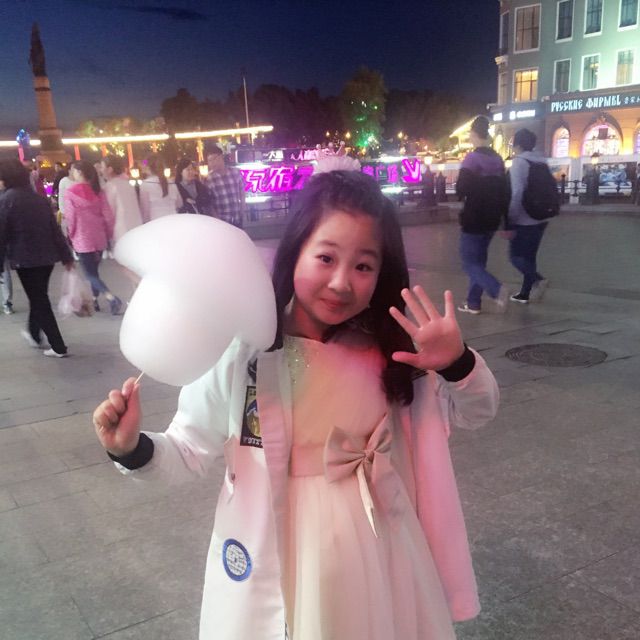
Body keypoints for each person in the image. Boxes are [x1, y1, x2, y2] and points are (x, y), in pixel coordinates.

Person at [92, 170, 499, 639]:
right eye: (325, 257)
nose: (341, 282)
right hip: (270, 542)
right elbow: (187, 447)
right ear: (296, 251)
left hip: (372, 550)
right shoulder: (244, 353)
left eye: (364, 266)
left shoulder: (393, 355)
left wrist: (456, 363)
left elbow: (477, 410)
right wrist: (132, 449)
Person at [0, 159, 74, 357]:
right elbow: (54, 229)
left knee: (39, 300)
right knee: (38, 295)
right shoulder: (39, 199)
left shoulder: (6, 200)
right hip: (47, 257)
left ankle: (58, 346)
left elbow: (2, 234)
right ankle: (33, 334)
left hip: (24, 259)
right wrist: (66, 256)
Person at [455, 116, 510, 314]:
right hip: (492, 218)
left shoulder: (472, 159)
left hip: (474, 217)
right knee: (479, 262)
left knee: (469, 263)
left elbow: (461, 188)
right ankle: (473, 303)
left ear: (473, 134)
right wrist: (505, 220)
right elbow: (506, 192)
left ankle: (496, 289)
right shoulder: (498, 159)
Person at [65, 161, 122, 315]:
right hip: (99, 237)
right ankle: (95, 300)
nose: (72, 173)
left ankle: (111, 298)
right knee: (94, 272)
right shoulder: (98, 191)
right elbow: (108, 216)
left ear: (79, 172)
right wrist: (108, 234)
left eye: (73, 170)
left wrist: (71, 234)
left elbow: (71, 218)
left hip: (82, 239)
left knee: (90, 274)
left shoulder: (70, 193)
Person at [505, 128, 551, 304]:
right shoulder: (541, 161)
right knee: (530, 257)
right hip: (541, 217)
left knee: (515, 257)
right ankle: (524, 293)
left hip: (524, 219)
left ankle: (538, 279)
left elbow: (517, 193)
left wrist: (511, 217)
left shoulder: (519, 163)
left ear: (517, 144)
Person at [101, 155, 143, 244]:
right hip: (136, 226)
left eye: (102, 167)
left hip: (121, 230)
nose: (101, 170)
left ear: (110, 169)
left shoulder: (110, 186)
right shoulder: (128, 184)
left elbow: (110, 213)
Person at [206, 147, 246, 227]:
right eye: (209, 161)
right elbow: (209, 204)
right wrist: (217, 220)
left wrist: (242, 210)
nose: (212, 163)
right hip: (222, 223)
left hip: (237, 219)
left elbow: (242, 192)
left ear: (221, 157)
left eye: (214, 159)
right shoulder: (209, 179)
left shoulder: (235, 172)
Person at [139, 154, 182, 222]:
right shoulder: (171, 183)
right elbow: (179, 204)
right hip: (174, 221)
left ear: (148, 168)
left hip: (156, 222)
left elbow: (145, 211)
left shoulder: (145, 185)